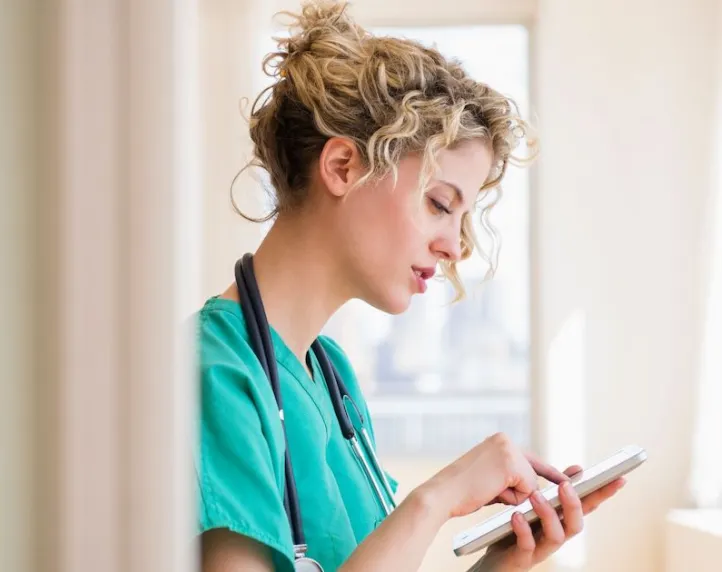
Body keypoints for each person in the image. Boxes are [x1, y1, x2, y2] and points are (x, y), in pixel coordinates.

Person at [195, 2, 626, 571]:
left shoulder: (333, 379)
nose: (456, 246)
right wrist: (437, 497)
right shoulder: (212, 375)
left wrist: (496, 566)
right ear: (344, 167)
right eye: (439, 204)